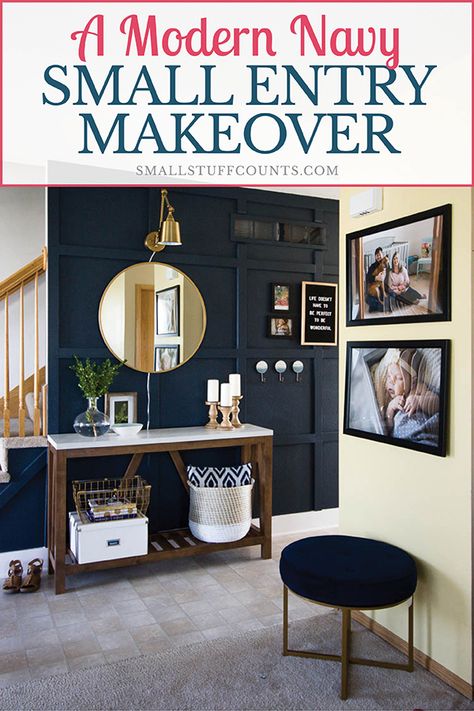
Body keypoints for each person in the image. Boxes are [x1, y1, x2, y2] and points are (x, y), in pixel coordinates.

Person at [383, 349, 439, 447]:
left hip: (421, 436)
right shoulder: (392, 402)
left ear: (412, 381)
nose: (391, 382)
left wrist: (418, 401)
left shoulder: (417, 389)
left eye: (398, 378)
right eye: (388, 376)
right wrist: (390, 410)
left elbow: (437, 403)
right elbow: (387, 430)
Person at [365, 247, 387, 312]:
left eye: (380, 254)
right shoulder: (372, 266)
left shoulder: (386, 265)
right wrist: (376, 278)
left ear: (382, 255)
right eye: (377, 255)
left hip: (383, 288)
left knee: (391, 294)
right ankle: (381, 305)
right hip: (373, 288)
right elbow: (368, 278)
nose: (378, 256)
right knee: (368, 299)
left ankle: (376, 306)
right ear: (375, 257)